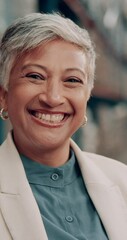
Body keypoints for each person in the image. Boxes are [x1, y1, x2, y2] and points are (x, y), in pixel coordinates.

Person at [0, 12, 127, 240]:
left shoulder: (122, 180)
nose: (53, 97)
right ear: (3, 95)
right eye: (35, 76)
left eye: (72, 80)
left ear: (87, 97)